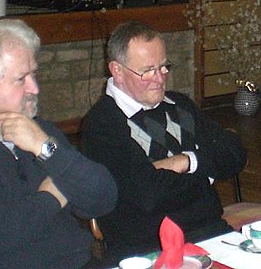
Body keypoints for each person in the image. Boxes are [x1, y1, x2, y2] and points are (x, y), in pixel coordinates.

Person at [0, 19, 117, 269]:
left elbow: (103, 199)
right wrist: (51, 197)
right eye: (21, 79)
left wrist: (46, 149)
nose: (34, 88)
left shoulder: (38, 130)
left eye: (33, 73)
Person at [81, 21, 247, 260]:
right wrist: (208, 175)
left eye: (163, 67)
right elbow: (147, 195)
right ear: (117, 70)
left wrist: (186, 161)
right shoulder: (103, 124)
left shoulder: (180, 105)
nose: (159, 79)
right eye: (148, 71)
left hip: (211, 234)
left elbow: (236, 152)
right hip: (148, 250)